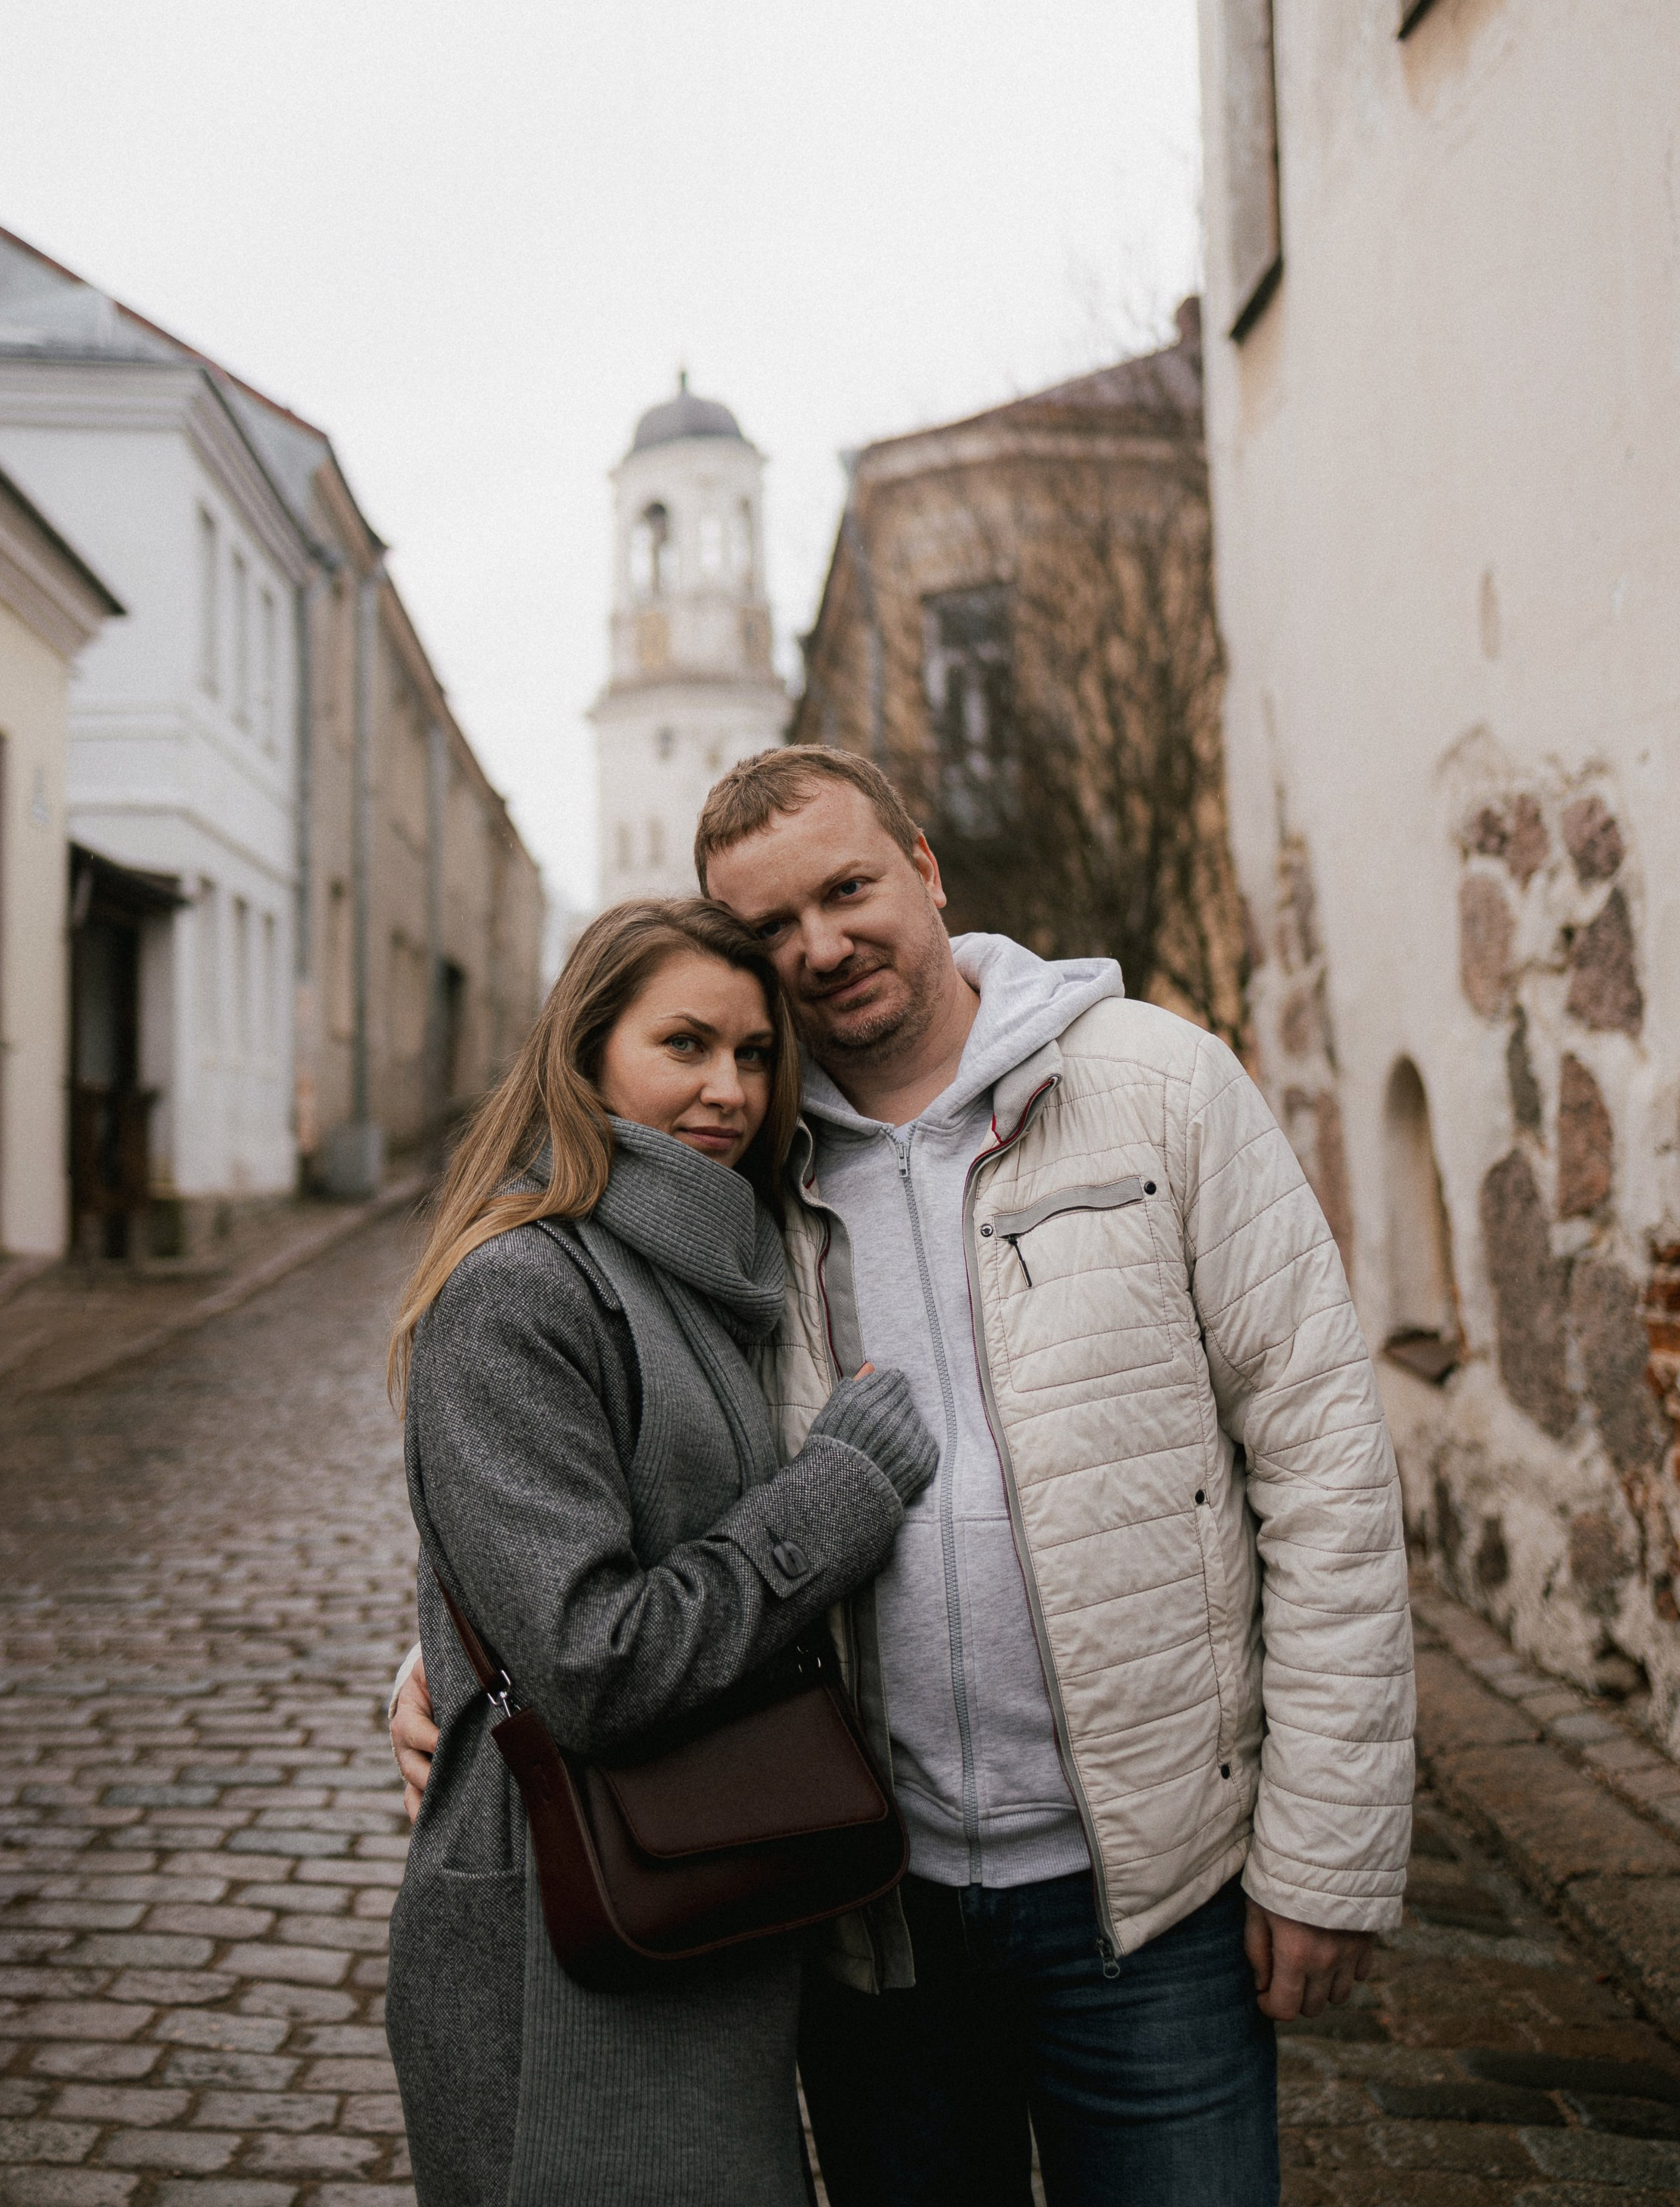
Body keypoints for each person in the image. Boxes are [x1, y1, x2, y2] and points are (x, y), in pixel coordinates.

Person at [392, 747, 1415, 2207]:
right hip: (869, 1914)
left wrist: (1326, 1854)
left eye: (850, 887)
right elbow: (607, 1460)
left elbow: (1326, 1472)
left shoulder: (1152, 1085)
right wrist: (449, 1656)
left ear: (925, 871)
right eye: (772, 931)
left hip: (1153, 1898)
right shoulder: (739, 1174)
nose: (820, 944)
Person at [385, 893, 938, 2207]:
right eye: (682, 1045)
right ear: (586, 1056)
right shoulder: (521, 1287)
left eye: (754, 1054)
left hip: (714, 1888)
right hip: (561, 1927)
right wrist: (839, 1494)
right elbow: (586, 1660)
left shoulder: (704, 1271)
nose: (727, 1089)